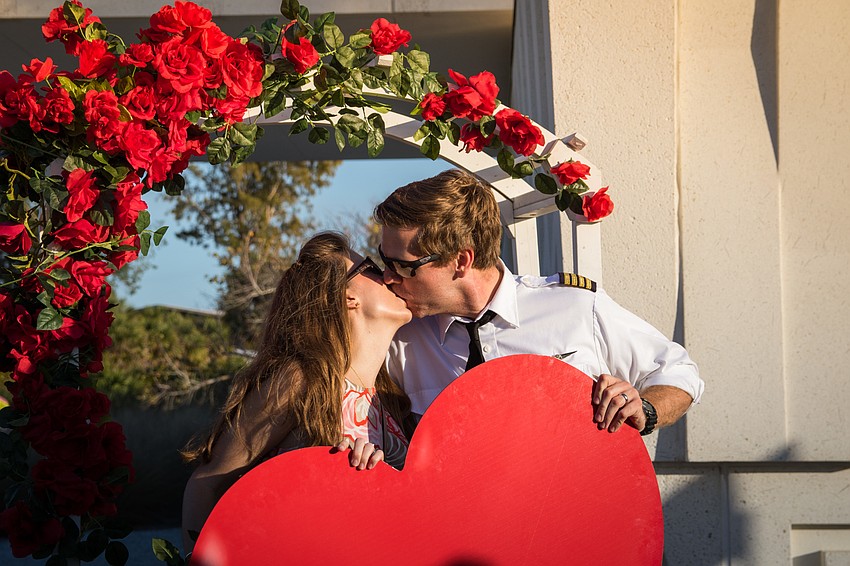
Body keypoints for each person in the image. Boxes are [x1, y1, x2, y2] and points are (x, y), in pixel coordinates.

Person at [374, 169, 704, 435]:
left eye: (403, 266)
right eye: (384, 261)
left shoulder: (574, 307)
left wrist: (644, 408)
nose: (389, 277)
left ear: (461, 260)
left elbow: (677, 372)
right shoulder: (402, 338)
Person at [181, 232, 414, 551]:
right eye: (372, 268)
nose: (389, 276)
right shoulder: (302, 379)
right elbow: (208, 482)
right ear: (347, 297)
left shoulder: (390, 396)